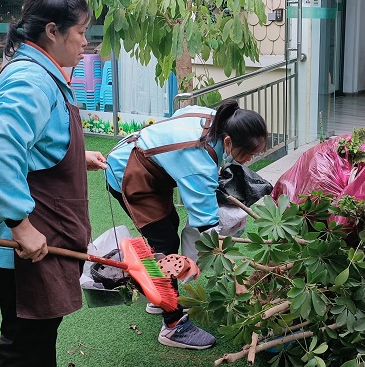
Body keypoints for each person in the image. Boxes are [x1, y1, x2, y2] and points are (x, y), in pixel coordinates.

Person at [0, 0, 107, 367]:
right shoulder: (30, 80)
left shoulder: (40, 73)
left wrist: (74, 155)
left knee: (38, 338)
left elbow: (33, 140)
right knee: (23, 346)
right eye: (81, 32)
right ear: (52, 31)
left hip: (41, 233)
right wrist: (20, 223)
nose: (86, 42)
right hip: (25, 244)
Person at [105, 99, 267, 349]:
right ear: (228, 141)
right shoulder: (198, 160)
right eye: (247, 154)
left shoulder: (217, 119)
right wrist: (238, 277)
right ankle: (173, 326)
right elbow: (209, 231)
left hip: (147, 166)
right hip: (128, 173)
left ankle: (158, 296)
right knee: (164, 244)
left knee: (169, 226)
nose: (248, 160)